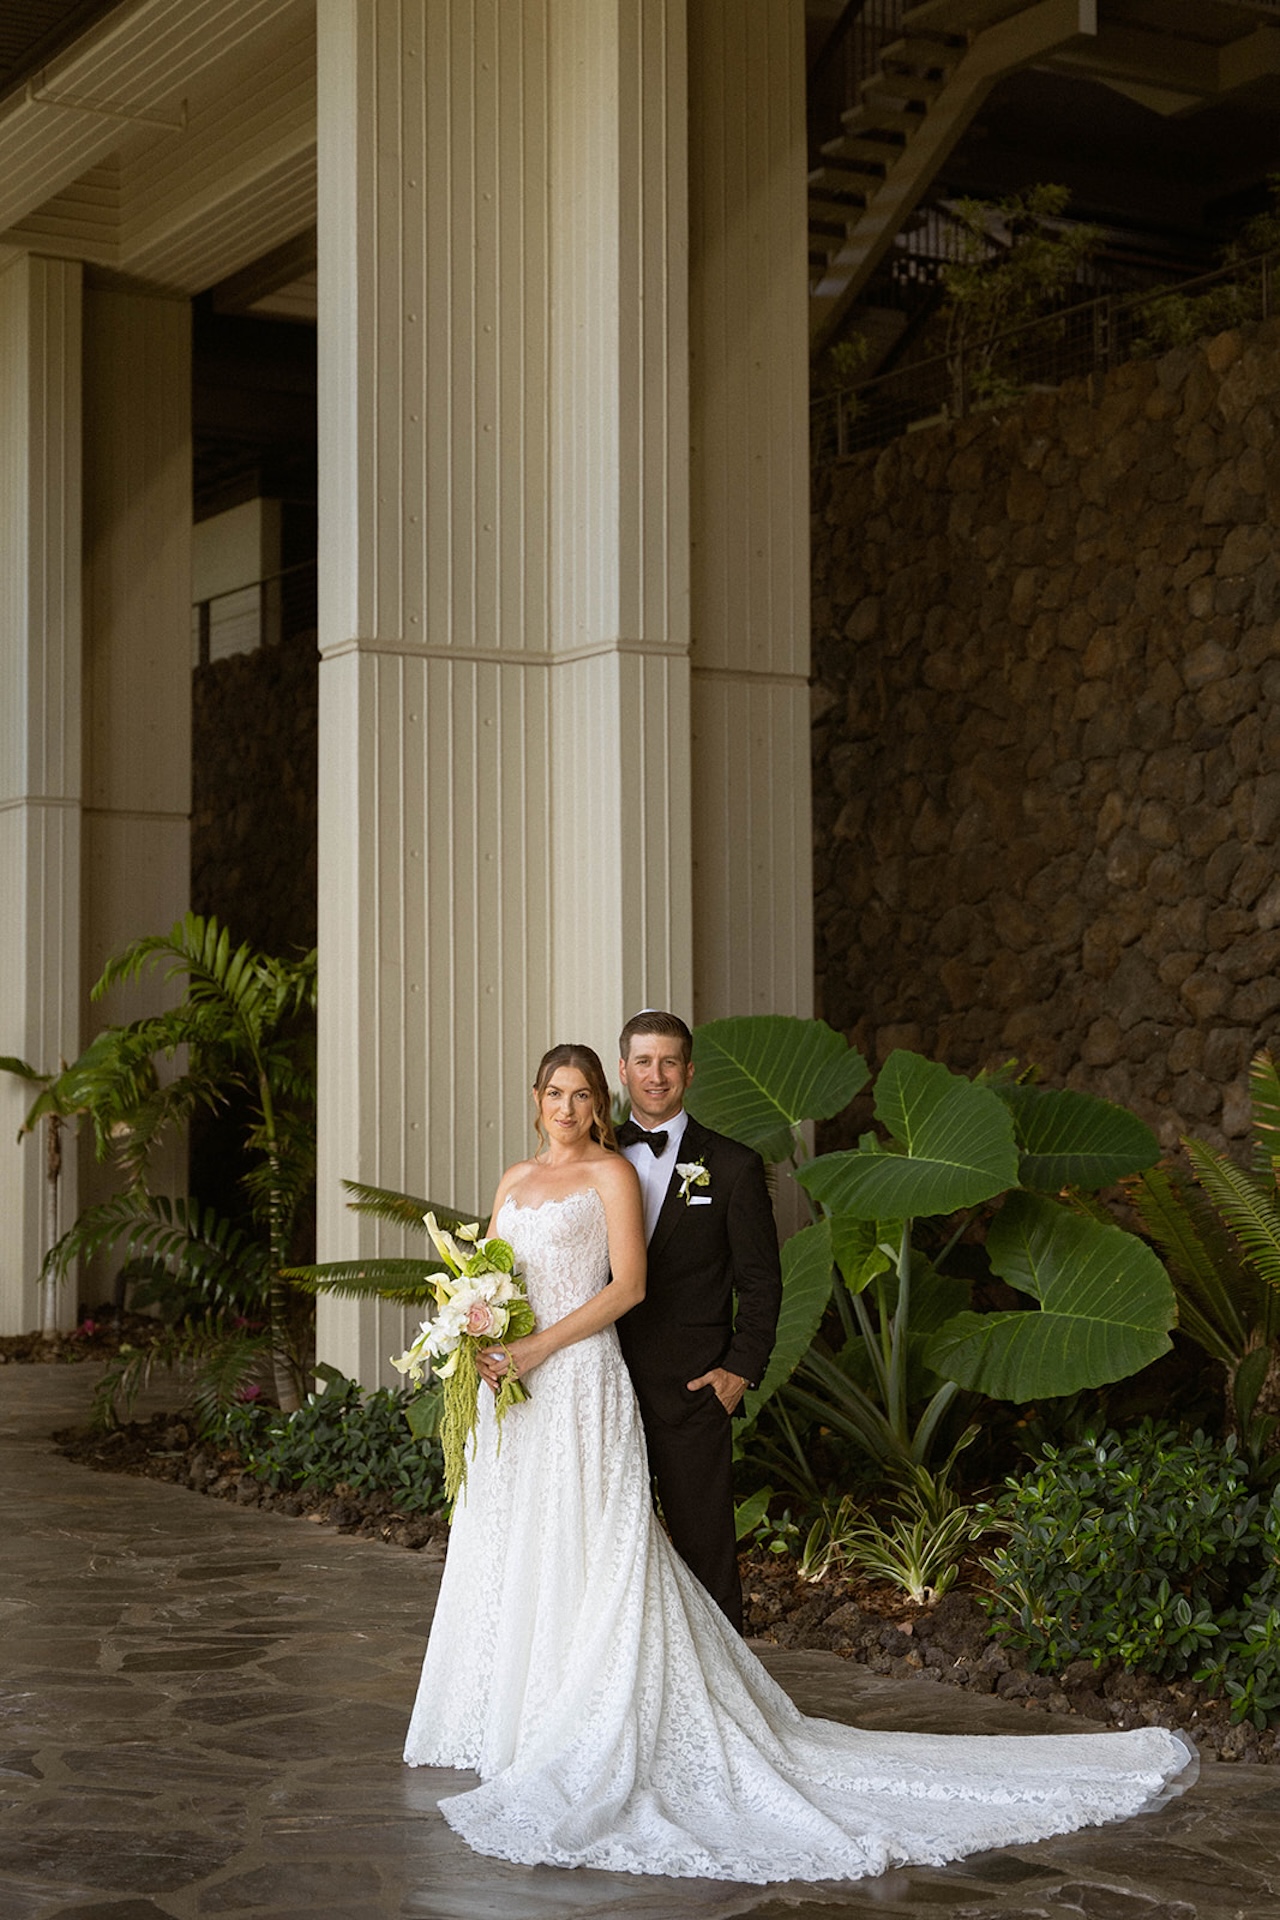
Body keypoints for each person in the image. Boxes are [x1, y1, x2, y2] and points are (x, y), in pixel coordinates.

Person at [403, 1041, 1196, 1887]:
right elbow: (484, 1270)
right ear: (536, 1100)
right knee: (518, 1533)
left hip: (593, 1375)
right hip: (518, 1386)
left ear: (604, 1101)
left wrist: (567, 1350)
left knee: (613, 1541)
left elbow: (646, 1285)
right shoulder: (513, 1180)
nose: (569, 1106)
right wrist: (472, 1325)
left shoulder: (634, 1174)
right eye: (556, 1092)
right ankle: (510, 1711)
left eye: (582, 1093)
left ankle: (651, 1712)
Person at [613, 1009, 781, 1630]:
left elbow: (762, 1283)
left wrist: (739, 1369)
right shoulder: (590, 1155)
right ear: (624, 1069)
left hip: (692, 1387)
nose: (656, 1075)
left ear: (688, 1072)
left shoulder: (733, 1166)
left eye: (669, 1062)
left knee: (705, 1547)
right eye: (643, 1062)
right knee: (607, 1547)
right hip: (601, 1380)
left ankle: (723, 1700)